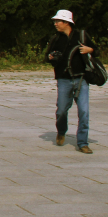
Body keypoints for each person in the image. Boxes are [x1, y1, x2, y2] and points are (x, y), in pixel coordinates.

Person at [45, 10, 97, 154]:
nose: (55, 24)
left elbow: (97, 50)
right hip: (63, 79)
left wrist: (89, 49)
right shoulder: (55, 38)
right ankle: (61, 131)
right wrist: (50, 57)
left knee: (84, 111)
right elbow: (46, 56)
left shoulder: (81, 35)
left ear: (67, 22)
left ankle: (82, 142)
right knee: (61, 110)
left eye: (58, 21)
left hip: (81, 79)